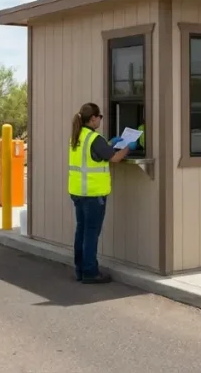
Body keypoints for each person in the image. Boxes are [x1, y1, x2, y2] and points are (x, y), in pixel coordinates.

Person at [68, 102, 134, 284]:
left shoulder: (78, 136)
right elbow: (115, 158)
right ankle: (90, 272)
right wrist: (129, 147)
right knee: (91, 233)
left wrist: (110, 143)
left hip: (78, 192)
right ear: (93, 118)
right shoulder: (94, 138)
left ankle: (80, 269)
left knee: (81, 231)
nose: (101, 120)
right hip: (93, 195)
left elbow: (98, 153)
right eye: (100, 117)